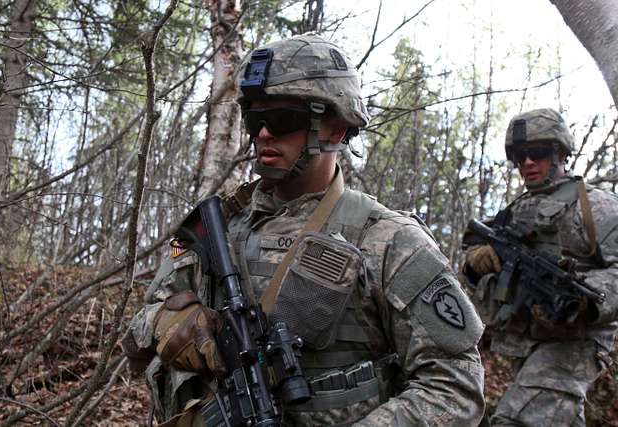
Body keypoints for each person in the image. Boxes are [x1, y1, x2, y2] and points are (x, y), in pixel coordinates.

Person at [123, 33, 485, 426]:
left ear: (335, 127)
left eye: (281, 120)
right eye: (254, 120)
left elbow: (455, 386)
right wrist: (169, 323)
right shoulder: (213, 230)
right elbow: (143, 321)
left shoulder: (389, 241)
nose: (263, 134)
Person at [462, 108, 618, 426]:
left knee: (515, 420)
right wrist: (476, 263)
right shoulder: (515, 210)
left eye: (537, 153)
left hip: (577, 340)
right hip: (528, 342)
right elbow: (470, 262)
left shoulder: (597, 206)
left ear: (560, 152)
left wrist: (587, 299)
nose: (528, 163)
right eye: (520, 157)